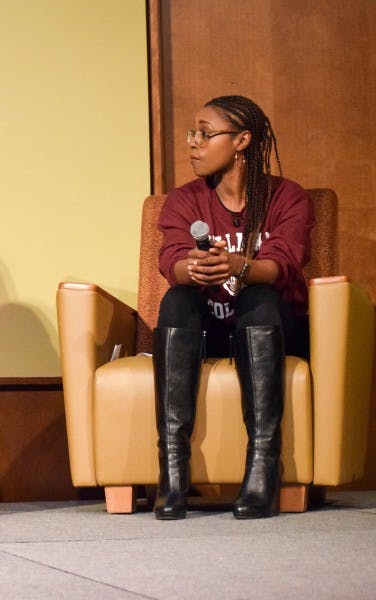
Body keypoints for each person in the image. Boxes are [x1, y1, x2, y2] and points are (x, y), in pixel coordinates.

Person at [153, 95, 314, 520]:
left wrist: (239, 266)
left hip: (270, 330)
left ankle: (263, 466)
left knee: (259, 296)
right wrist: (195, 268)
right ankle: (172, 473)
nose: (193, 143)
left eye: (206, 134)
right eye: (192, 133)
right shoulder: (184, 200)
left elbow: (283, 264)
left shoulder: (287, 197)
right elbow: (171, 260)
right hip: (210, 331)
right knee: (178, 298)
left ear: (242, 141)